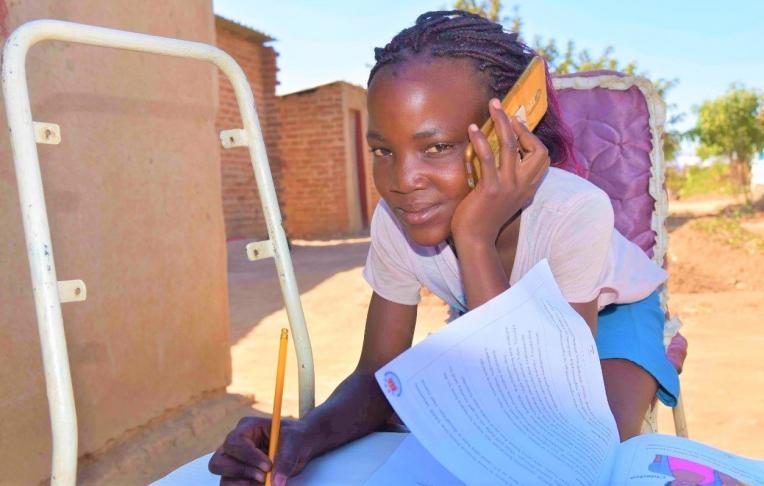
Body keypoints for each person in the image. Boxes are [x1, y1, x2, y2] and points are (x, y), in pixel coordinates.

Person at [209, 10, 680, 485]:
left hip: (610, 311)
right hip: (491, 309)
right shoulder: (398, 219)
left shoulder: (574, 211)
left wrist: (474, 236)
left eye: (436, 148)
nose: (403, 181)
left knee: (590, 457)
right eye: (383, 151)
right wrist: (301, 436)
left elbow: (545, 410)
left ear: (507, 135)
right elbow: (376, 372)